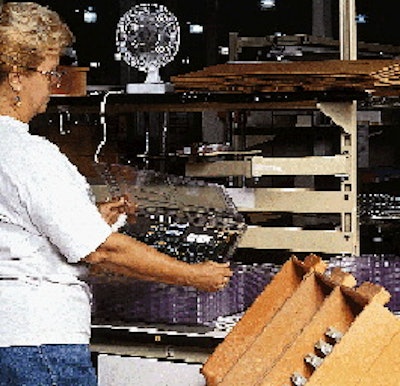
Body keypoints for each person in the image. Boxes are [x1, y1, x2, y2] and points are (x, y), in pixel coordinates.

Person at [0, 3, 232, 385]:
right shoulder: (29, 155)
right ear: (16, 79)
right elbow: (103, 250)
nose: (53, 85)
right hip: (38, 345)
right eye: (48, 73)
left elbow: (19, 229)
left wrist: (87, 218)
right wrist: (194, 276)